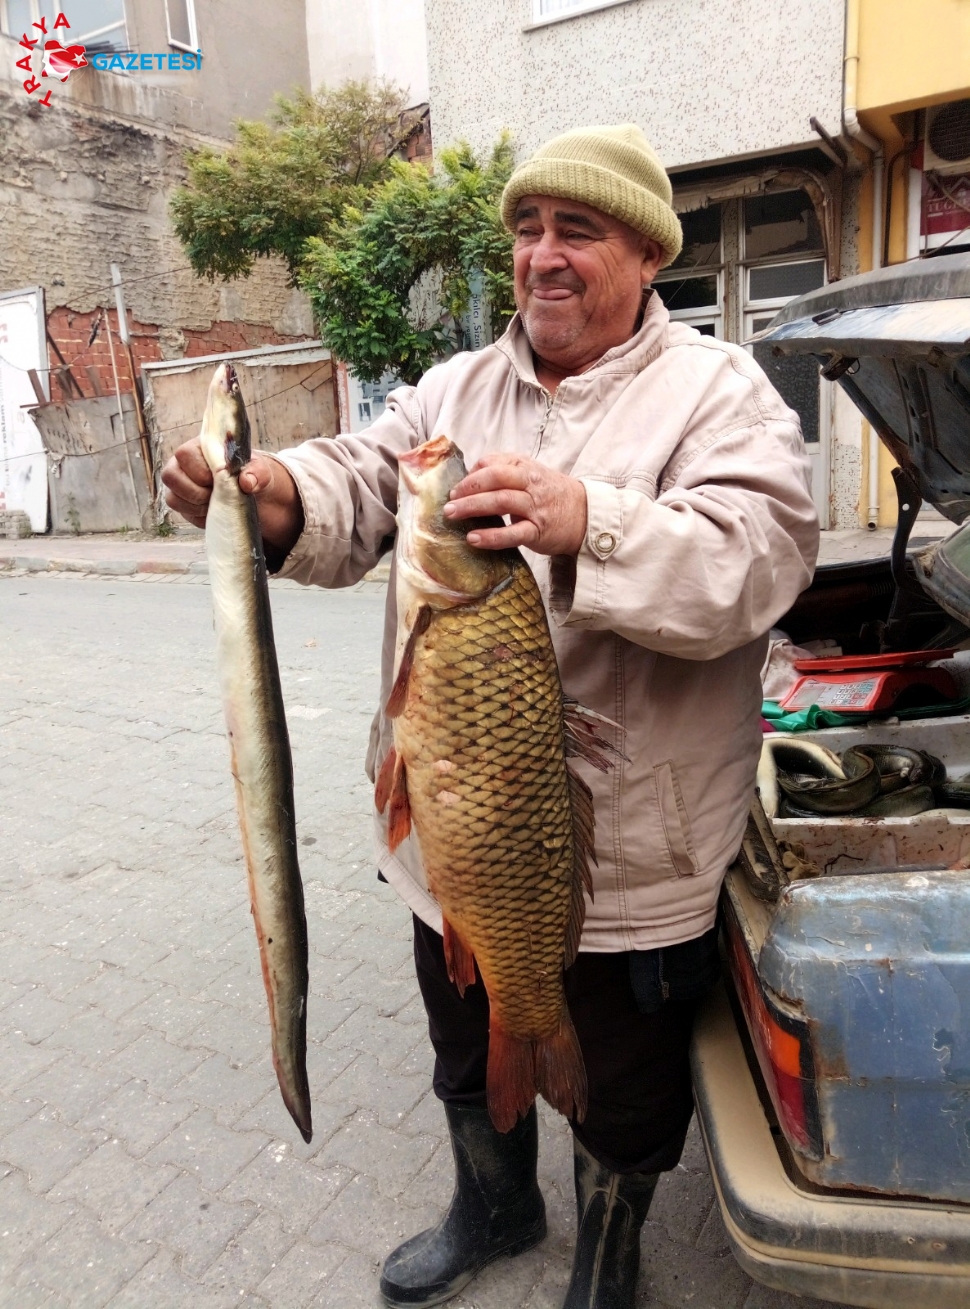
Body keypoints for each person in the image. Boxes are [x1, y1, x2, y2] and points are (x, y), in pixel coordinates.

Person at [163, 124, 819, 1309]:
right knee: (465, 1037)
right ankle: (494, 1200)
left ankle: (608, 1255)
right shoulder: (459, 386)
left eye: (579, 229)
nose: (542, 256)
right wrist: (270, 494)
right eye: (525, 229)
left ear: (647, 254)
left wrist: (593, 519)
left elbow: (758, 561)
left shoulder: (719, 395)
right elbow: (363, 475)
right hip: (455, 831)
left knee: (621, 1086)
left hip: (639, 851)